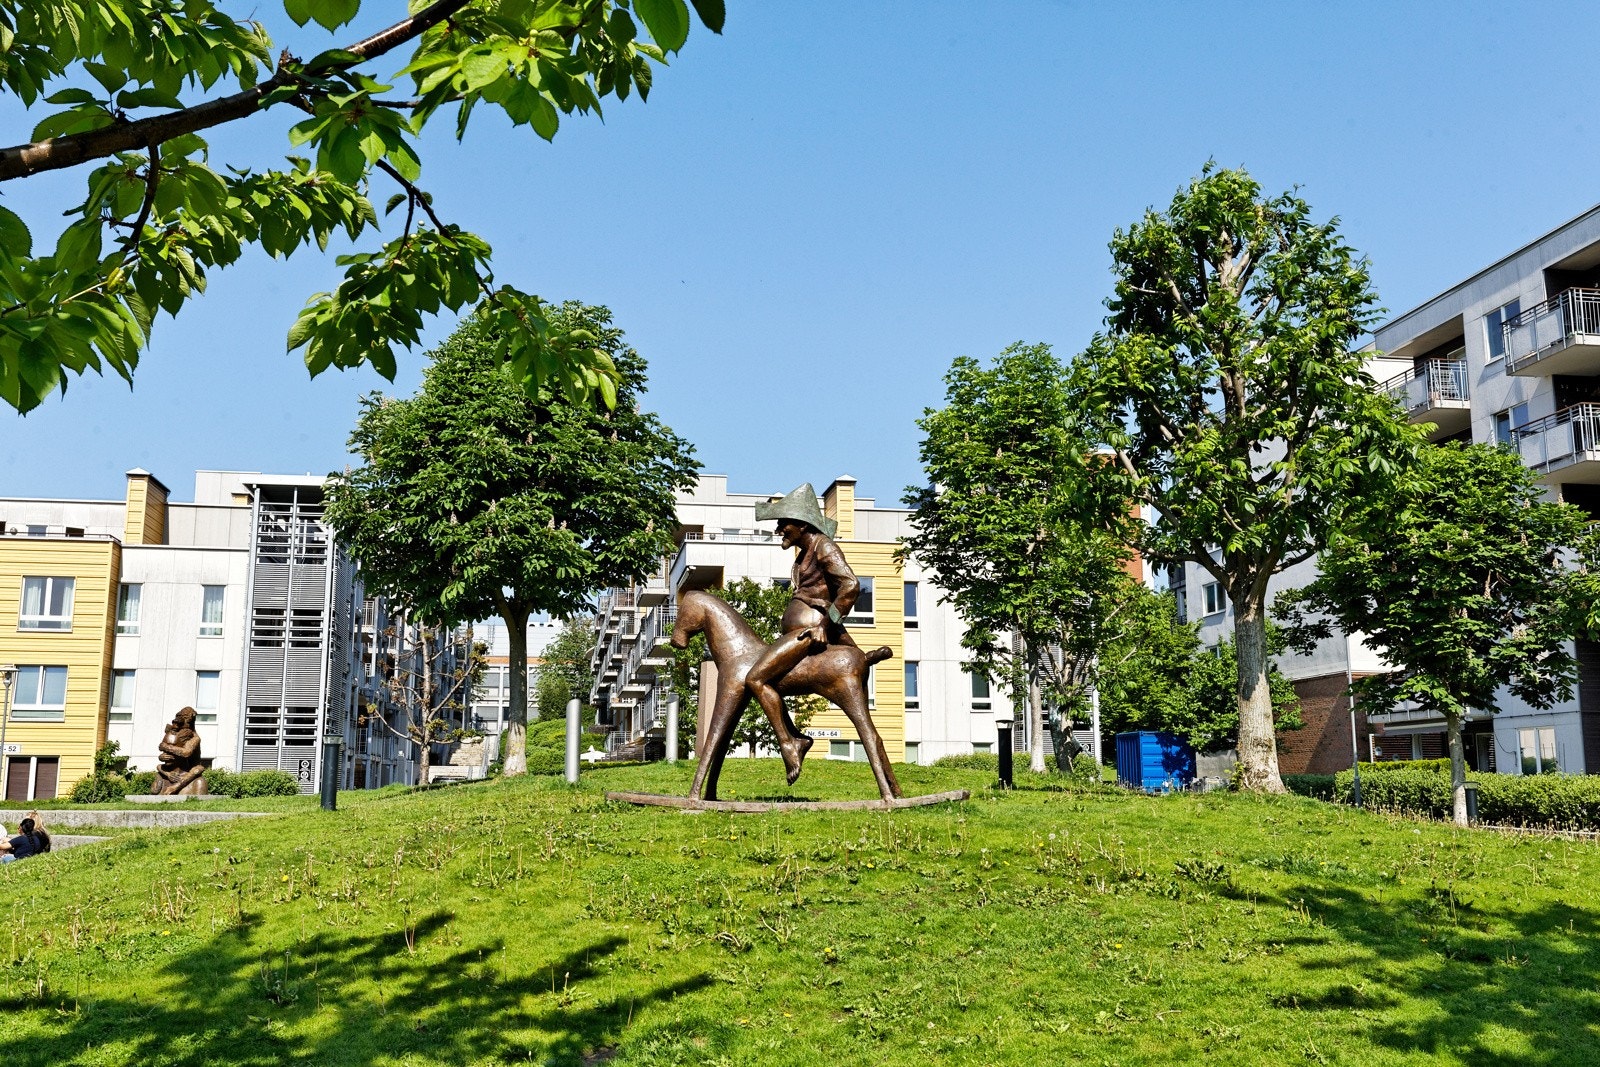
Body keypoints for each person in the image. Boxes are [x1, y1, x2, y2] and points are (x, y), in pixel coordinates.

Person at [747, 483, 889, 783]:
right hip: (800, 633)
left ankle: (790, 741)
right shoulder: (803, 554)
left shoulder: (823, 546)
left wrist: (825, 624)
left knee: (755, 678)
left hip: (808, 634)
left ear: (800, 523)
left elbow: (850, 585)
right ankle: (794, 738)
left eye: (782, 523)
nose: (778, 530)